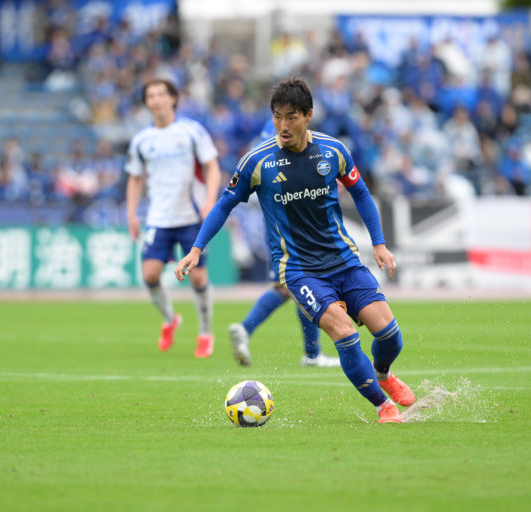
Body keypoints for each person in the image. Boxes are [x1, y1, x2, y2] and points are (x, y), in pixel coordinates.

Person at [176, 78, 415, 423]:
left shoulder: (333, 151)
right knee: (344, 332)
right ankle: (383, 406)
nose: (283, 125)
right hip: (299, 270)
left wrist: (379, 243)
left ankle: (383, 374)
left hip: (344, 261)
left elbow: (361, 193)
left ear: (308, 116)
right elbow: (225, 204)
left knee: (390, 337)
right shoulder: (257, 161)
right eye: (277, 117)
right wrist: (197, 249)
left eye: (291, 117)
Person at [228, 116, 340, 368]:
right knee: (302, 281)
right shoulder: (285, 128)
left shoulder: (268, 130)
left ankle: (311, 353)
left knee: (293, 285)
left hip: (275, 220)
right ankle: (309, 353)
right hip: (291, 220)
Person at [126, 78, 222, 357]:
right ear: (146, 103)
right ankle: (170, 319)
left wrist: (210, 200)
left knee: (198, 278)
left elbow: (212, 166)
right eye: (150, 96)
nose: (156, 100)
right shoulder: (142, 140)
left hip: (191, 216)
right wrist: (131, 214)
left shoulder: (192, 131)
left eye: (161, 94)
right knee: (150, 275)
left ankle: (205, 332)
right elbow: (134, 178)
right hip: (158, 218)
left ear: (173, 99)